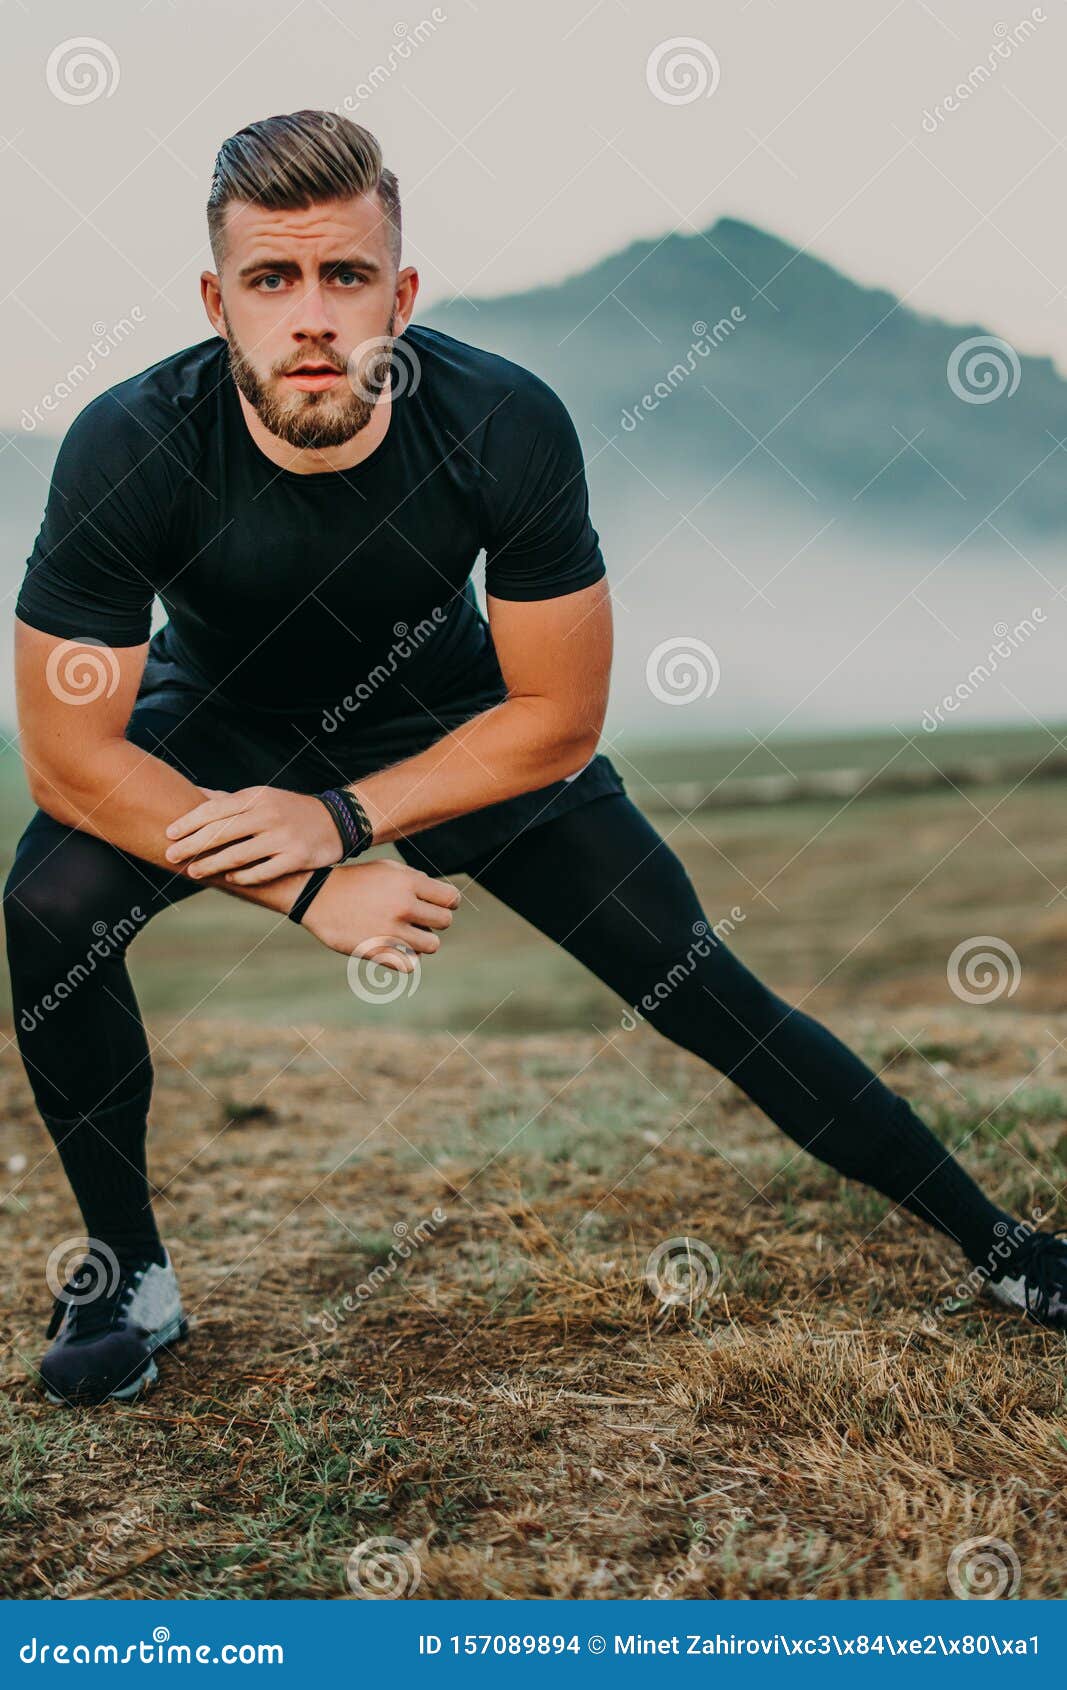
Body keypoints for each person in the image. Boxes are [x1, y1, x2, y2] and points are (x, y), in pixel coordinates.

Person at [6, 111, 1064, 1407]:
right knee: (51, 900)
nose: (312, 316)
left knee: (695, 976)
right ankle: (129, 1270)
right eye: (273, 280)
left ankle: (1003, 1245)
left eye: (346, 277)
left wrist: (341, 816)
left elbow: (557, 711)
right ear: (216, 300)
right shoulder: (131, 444)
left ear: (401, 293)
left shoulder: (501, 421)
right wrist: (308, 885)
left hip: (452, 718)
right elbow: (70, 759)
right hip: (216, 712)